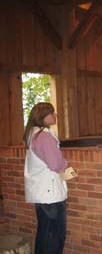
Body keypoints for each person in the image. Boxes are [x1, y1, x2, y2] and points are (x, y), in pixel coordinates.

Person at [23, 102, 68, 254]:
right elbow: (55, 164)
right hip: (50, 194)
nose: (55, 115)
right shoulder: (43, 137)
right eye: (52, 113)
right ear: (43, 117)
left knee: (45, 232)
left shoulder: (32, 134)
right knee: (55, 235)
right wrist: (68, 166)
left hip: (41, 193)